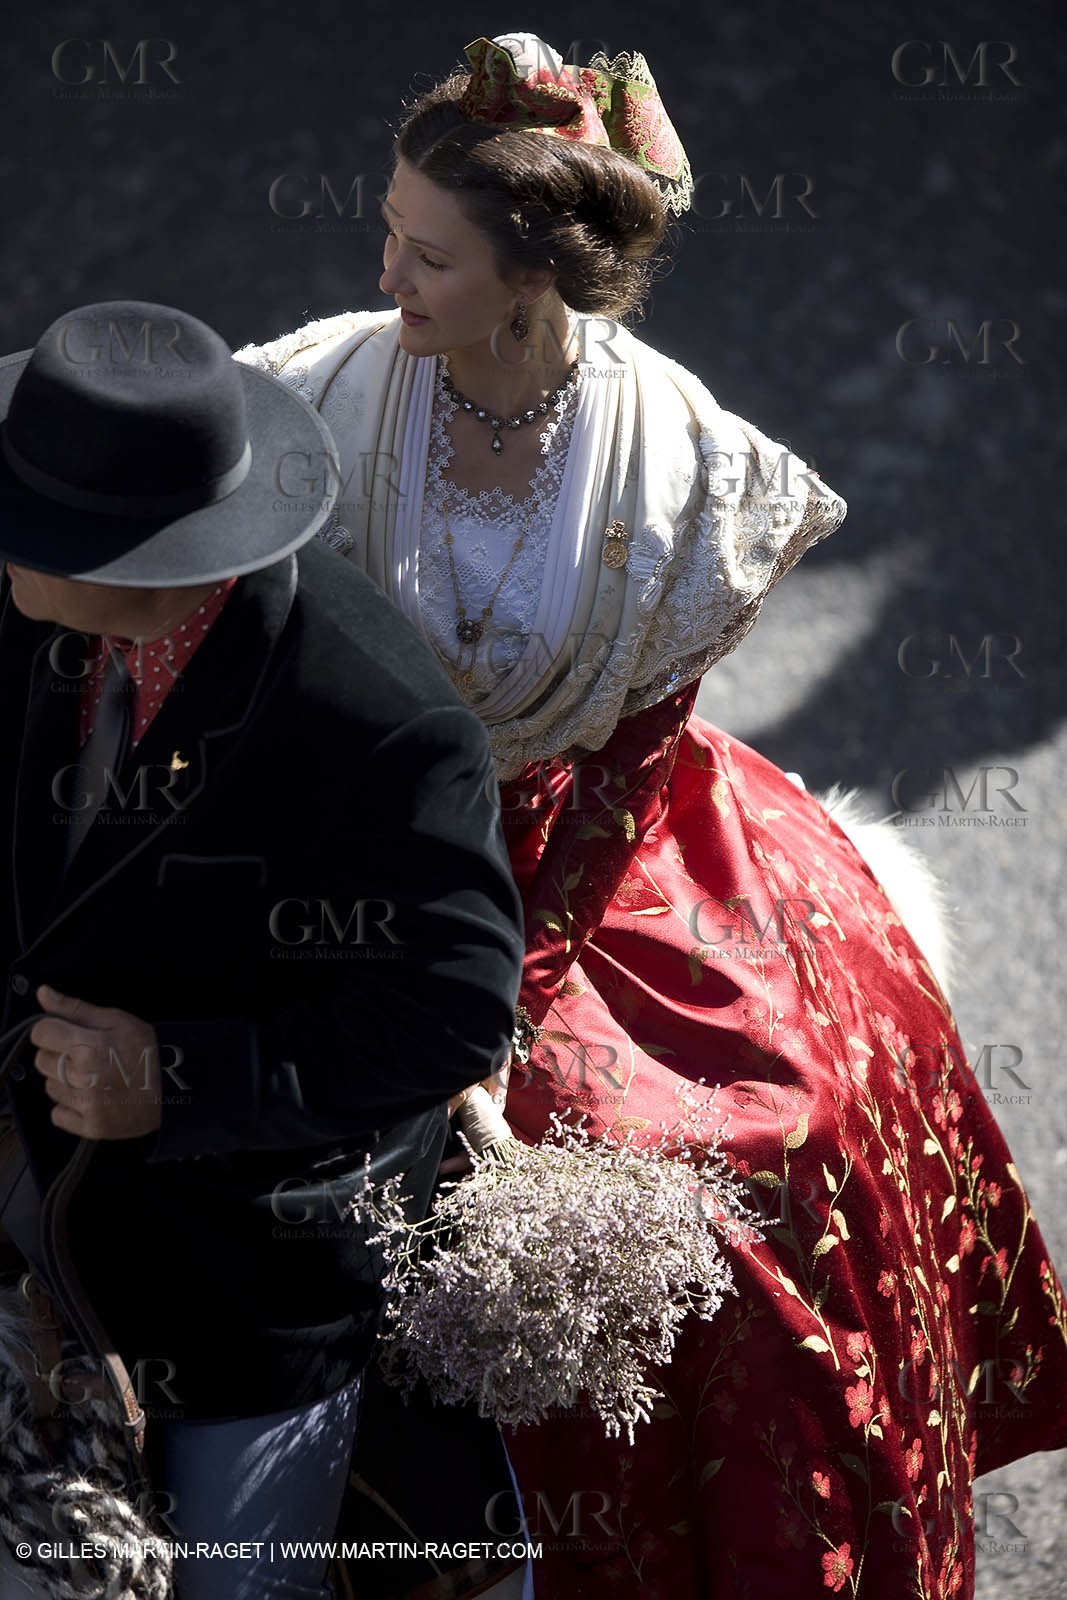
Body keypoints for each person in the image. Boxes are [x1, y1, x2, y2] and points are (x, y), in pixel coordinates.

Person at [234, 33, 1067, 1599]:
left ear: (536, 276)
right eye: (388, 234)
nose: (387, 274)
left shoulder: (674, 456)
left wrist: (509, 995)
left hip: (588, 865)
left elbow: (624, 763)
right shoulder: (319, 392)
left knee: (766, 1148)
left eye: (428, 254)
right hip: (345, 846)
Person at [0, 297, 524, 1599]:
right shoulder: (31, 617)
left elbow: (451, 1007)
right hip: (30, 1224)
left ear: (130, 556)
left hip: (242, 1287)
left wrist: (174, 1078)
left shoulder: (375, 720)